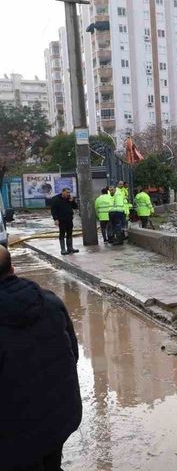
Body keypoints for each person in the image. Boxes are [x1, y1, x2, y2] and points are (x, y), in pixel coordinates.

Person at [0, 245, 82, 471]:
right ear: (13, 269)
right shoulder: (51, 302)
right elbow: (72, 354)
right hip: (59, 417)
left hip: (14, 436)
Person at [50, 187, 78, 255]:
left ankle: (70, 248)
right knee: (62, 233)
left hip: (69, 219)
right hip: (61, 219)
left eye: (69, 193)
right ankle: (63, 249)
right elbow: (53, 210)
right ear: (62, 192)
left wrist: (72, 201)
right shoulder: (56, 199)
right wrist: (55, 219)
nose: (68, 194)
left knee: (69, 233)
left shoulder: (69, 199)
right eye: (67, 192)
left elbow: (75, 207)